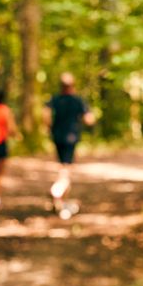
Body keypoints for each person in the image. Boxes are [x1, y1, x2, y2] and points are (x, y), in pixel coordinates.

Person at [43, 72, 95, 218]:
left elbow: (45, 114)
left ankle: (60, 203)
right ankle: (56, 191)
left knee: (62, 168)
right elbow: (89, 119)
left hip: (57, 137)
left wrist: (49, 127)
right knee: (66, 170)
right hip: (71, 137)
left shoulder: (55, 99)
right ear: (73, 85)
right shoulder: (78, 101)